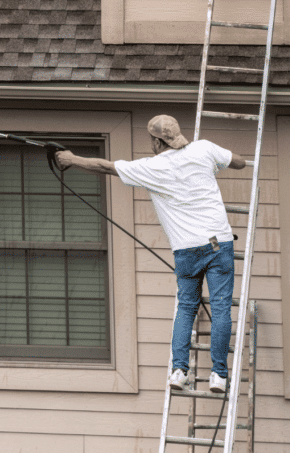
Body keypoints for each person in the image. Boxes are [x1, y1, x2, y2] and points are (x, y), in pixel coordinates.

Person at [55, 114, 247, 393]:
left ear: (157, 141)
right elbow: (239, 162)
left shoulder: (151, 168)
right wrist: (215, 164)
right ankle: (219, 376)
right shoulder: (204, 149)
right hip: (219, 243)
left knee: (186, 308)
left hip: (186, 250)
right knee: (220, 310)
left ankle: (179, 371)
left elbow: (105, 166)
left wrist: (71, 159)